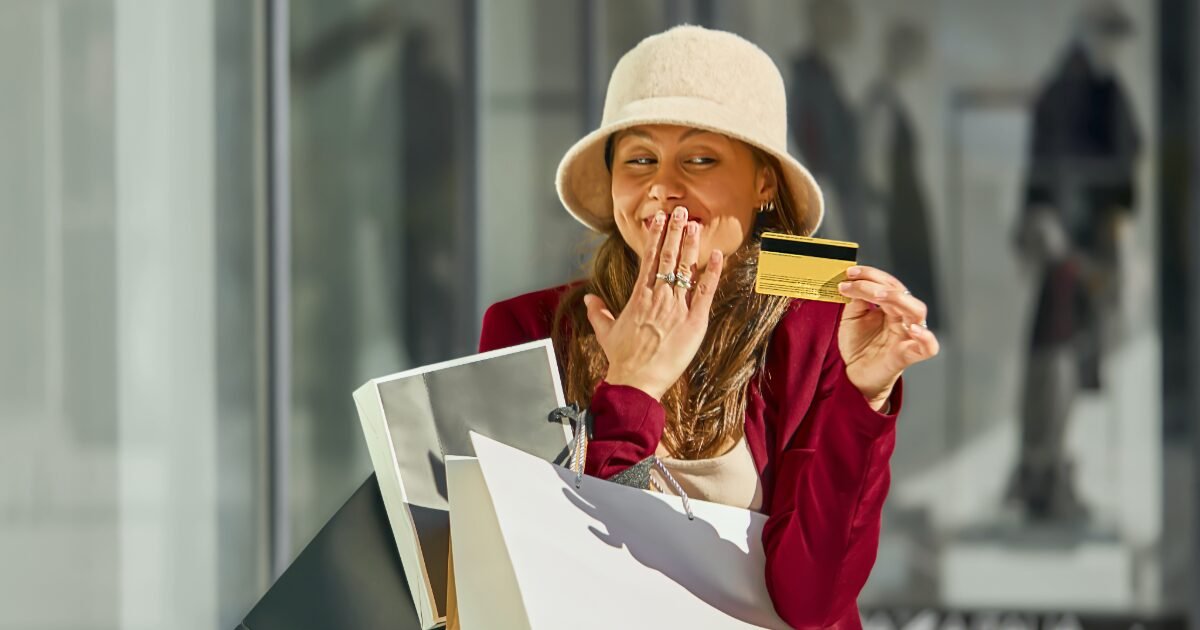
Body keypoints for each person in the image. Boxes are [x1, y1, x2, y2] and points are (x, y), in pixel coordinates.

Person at [479, 26, 938, 628]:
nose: (663, 188)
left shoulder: (821, 322)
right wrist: (632, 392)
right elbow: (542, 579)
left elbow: (813, 603)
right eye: (639, 159)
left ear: (764, 183)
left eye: (700, 159)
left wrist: (863, 399)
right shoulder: (530, 327)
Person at [1007, 0, 1141, 523]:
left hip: (1083, 247)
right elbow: (1055, 173)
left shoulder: (1100, 90)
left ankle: (1044, 468)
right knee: (1057, 354)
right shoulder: (1069, 92)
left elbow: (1119, 174)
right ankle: (1041, 470)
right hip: (1070, 248)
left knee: (1068, 354)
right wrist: (1059, 239)